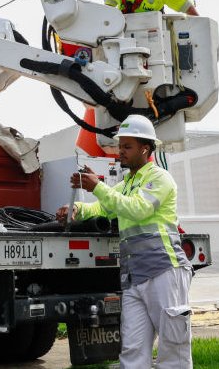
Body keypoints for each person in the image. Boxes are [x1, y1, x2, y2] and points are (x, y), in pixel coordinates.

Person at [57, 115, 193, 369]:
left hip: (164, 271)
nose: (121, 151)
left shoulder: (159, 178)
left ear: (145, 148)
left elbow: (137, 209)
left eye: (127, 146)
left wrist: (97, 186)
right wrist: (76, 209)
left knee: (173, 348)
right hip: (134, 277)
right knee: (132, 349)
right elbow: (104, 206)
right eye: (120, 146)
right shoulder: (126, 184)